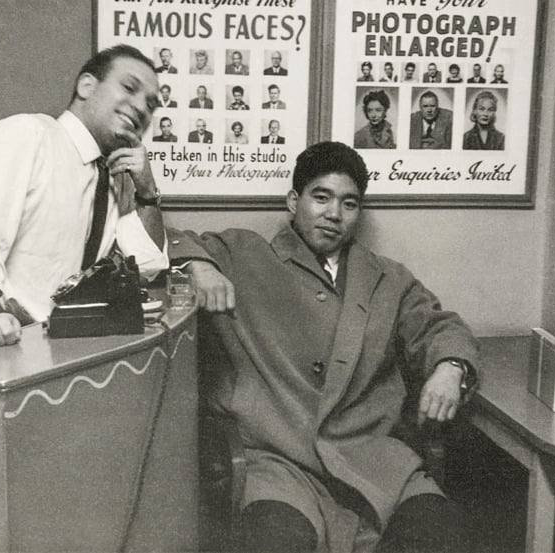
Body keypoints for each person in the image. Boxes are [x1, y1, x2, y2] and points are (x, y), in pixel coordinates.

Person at [169, 141, 479, 553]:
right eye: (321, 197)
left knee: (442, 535)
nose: (334, 214)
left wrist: (450, 367)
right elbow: (168, 241)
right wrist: (199, 265)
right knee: (273, 541)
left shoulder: (388, 278)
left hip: (376, 460)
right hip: (280, 464)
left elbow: (441, 326)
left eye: (349, 204)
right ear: (293, 202)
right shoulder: (243, 253)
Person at [0, 44, 168, 350]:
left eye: (151, 104)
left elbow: (144, 267)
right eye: (129, 87)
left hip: (39, 348)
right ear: (87, 86)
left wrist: (147, 193)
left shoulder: (116, 175)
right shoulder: (27, 135)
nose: (141, 107)